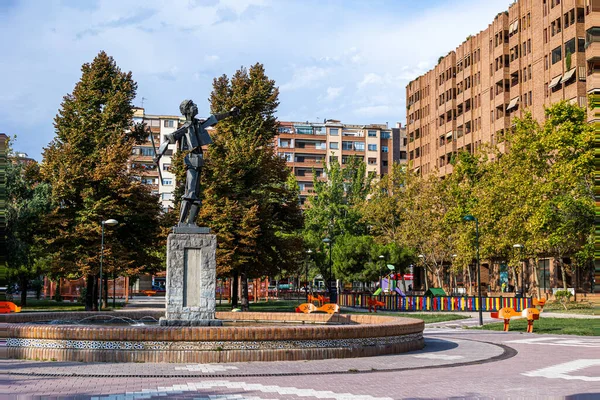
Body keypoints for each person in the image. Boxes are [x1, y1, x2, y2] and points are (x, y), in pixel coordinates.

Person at [155, 100, 239, 227]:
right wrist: (158, 155)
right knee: (190, 192)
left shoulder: (197, 124)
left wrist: (230, 114)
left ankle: (191, 222)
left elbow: (213, 118)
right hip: (192, 161)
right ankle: (182, 223)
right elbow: (169, 139)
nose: (196, 107)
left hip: (199, 161)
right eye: (193, 106)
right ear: (188, 110)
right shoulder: (186, 127)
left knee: (196, 194)